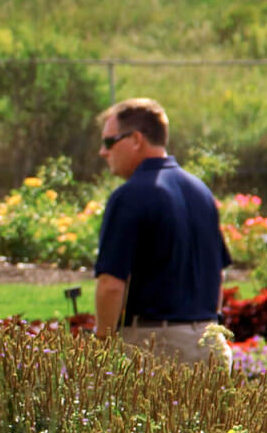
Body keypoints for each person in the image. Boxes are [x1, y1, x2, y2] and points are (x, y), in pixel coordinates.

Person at [92, 97, 232, 364]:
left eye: (109, 142)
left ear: (135, 139)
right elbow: (218, 275)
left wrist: (102, 342)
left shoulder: (129, 196)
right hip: (211, 342)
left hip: (158, 347)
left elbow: (111, 285)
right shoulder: (200, 191)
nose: (103, 151)